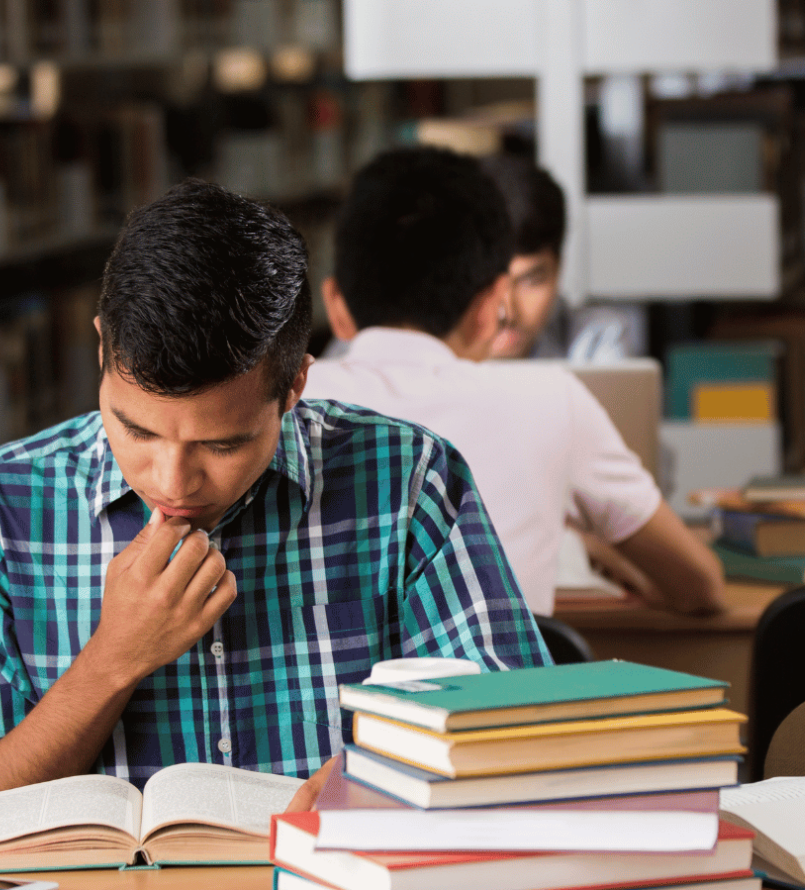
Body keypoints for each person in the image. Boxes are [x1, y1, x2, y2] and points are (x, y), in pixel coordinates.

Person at [0, 179, 549, 808]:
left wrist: (367, 784)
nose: (170, 482)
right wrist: (112, 661)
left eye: (222, 445)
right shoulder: (5, 501)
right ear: (102, 349)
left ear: (295, 382)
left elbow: (516, 738)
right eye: (135, 429)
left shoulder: (410, 480)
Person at [306, 146, 724, 617]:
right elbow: (701, 587)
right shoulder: (554, 400)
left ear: (336, 306)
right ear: (491, 309)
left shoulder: (283, 403)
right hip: (505, 691)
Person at [479, 154, 568, 359]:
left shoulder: (595, 341)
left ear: (559, 269)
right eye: (486, 281)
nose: (507, 313)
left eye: (530, 281)